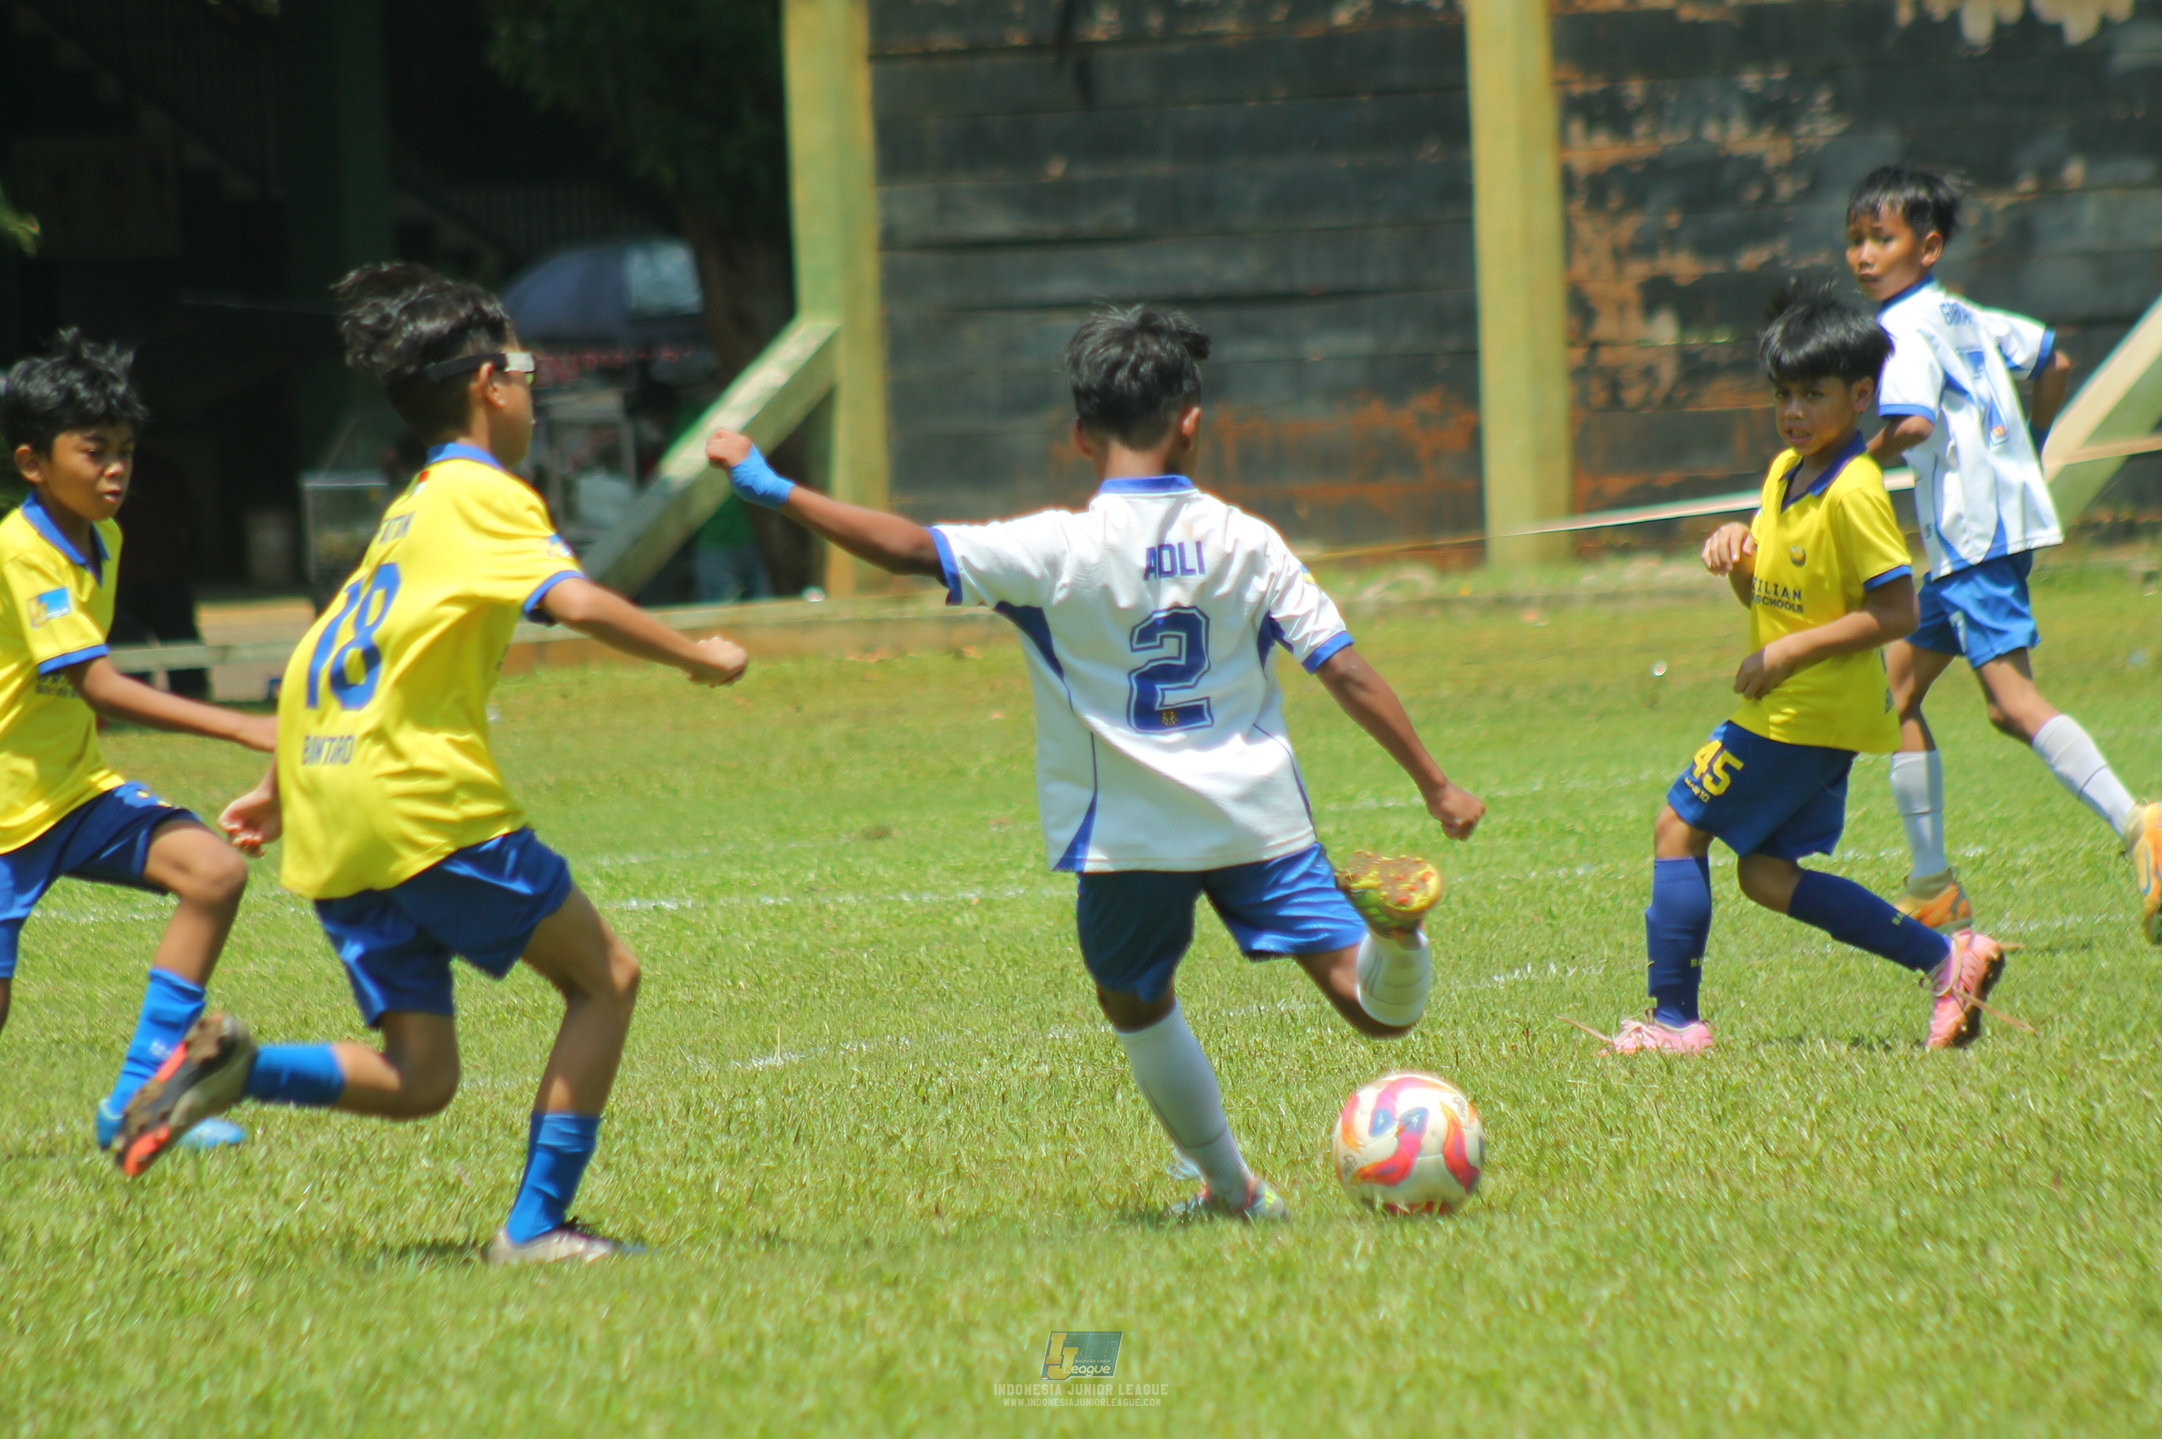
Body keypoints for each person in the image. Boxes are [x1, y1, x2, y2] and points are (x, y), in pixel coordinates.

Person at [705, 305, 1484, 1220]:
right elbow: (1344, 668)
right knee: (1377, 1012)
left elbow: (911, 548)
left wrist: (771, 486)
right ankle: (1398, 935)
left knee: (1133, 997)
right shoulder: (1248, 541)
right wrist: (1435, 783)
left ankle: (1232, 1188)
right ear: (1191, 422)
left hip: (1129, 834)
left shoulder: (1055, 551)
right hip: (1256, 821)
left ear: (1079, 435)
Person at [113, 264, 749, 1267]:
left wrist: (284, 787)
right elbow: (575, 601)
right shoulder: (482, 493)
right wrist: (698, 654)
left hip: (336, 804)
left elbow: (318, 652)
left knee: (420, 1077)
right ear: (491, 381)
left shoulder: (409, 510)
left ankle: (239, 1068)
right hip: (423, 801)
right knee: (606, 979)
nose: (534, 390)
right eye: (529, 369)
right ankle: (535, 1228)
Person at [1606, 290, 2009, 1055]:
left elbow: (1895, 611)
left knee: (1676, 826)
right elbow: (1764, 591)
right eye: (1782, 393)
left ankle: (1672, 1022)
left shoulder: (1854, 489)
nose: (1793, 410)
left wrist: (1788, 652)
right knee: (1762, 873)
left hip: (1802, 712)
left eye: (1812, 394)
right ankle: (1945, 960)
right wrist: (1737, 548)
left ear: (1861, 396)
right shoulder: (1786, 470)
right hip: (1805, 713)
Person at [1847, 164, 2159, 943]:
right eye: (1853, 240)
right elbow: (2050, 359)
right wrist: (2034, 434)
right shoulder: (1967, 315)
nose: (1862, 255)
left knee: (2013, 701)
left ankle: (2142, 822)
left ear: (1928, 246)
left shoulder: (1902, 329)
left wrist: (1850, 465)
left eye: (1879, 239)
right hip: (1995, 531)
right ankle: (1932, 888)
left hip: (1970, 539)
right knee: (1894, 699)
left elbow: (1913, 423)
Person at [0, 330, 277, 1152]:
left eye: (125, 449)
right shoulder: (21, 551)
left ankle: (138, 1102)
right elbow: (98, 684)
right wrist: (239, 721)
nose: (116, 469)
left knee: (214, 870)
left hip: (72, 791)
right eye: (95, 452)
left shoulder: (105, 537)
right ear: (33, 463)